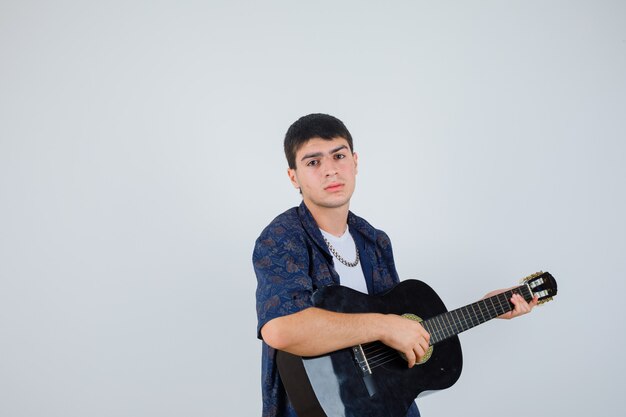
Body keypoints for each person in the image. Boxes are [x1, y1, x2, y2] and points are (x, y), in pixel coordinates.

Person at [253, 113, 537, 417]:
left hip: (389, 406)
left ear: (355, 161)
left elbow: (403, 330)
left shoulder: (375, 241)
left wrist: (487, 307)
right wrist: (384, 326)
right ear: (293, 176)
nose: (331, 171)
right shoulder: (282, 238)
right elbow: (281, 329)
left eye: (339, 156)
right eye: (313, 162)